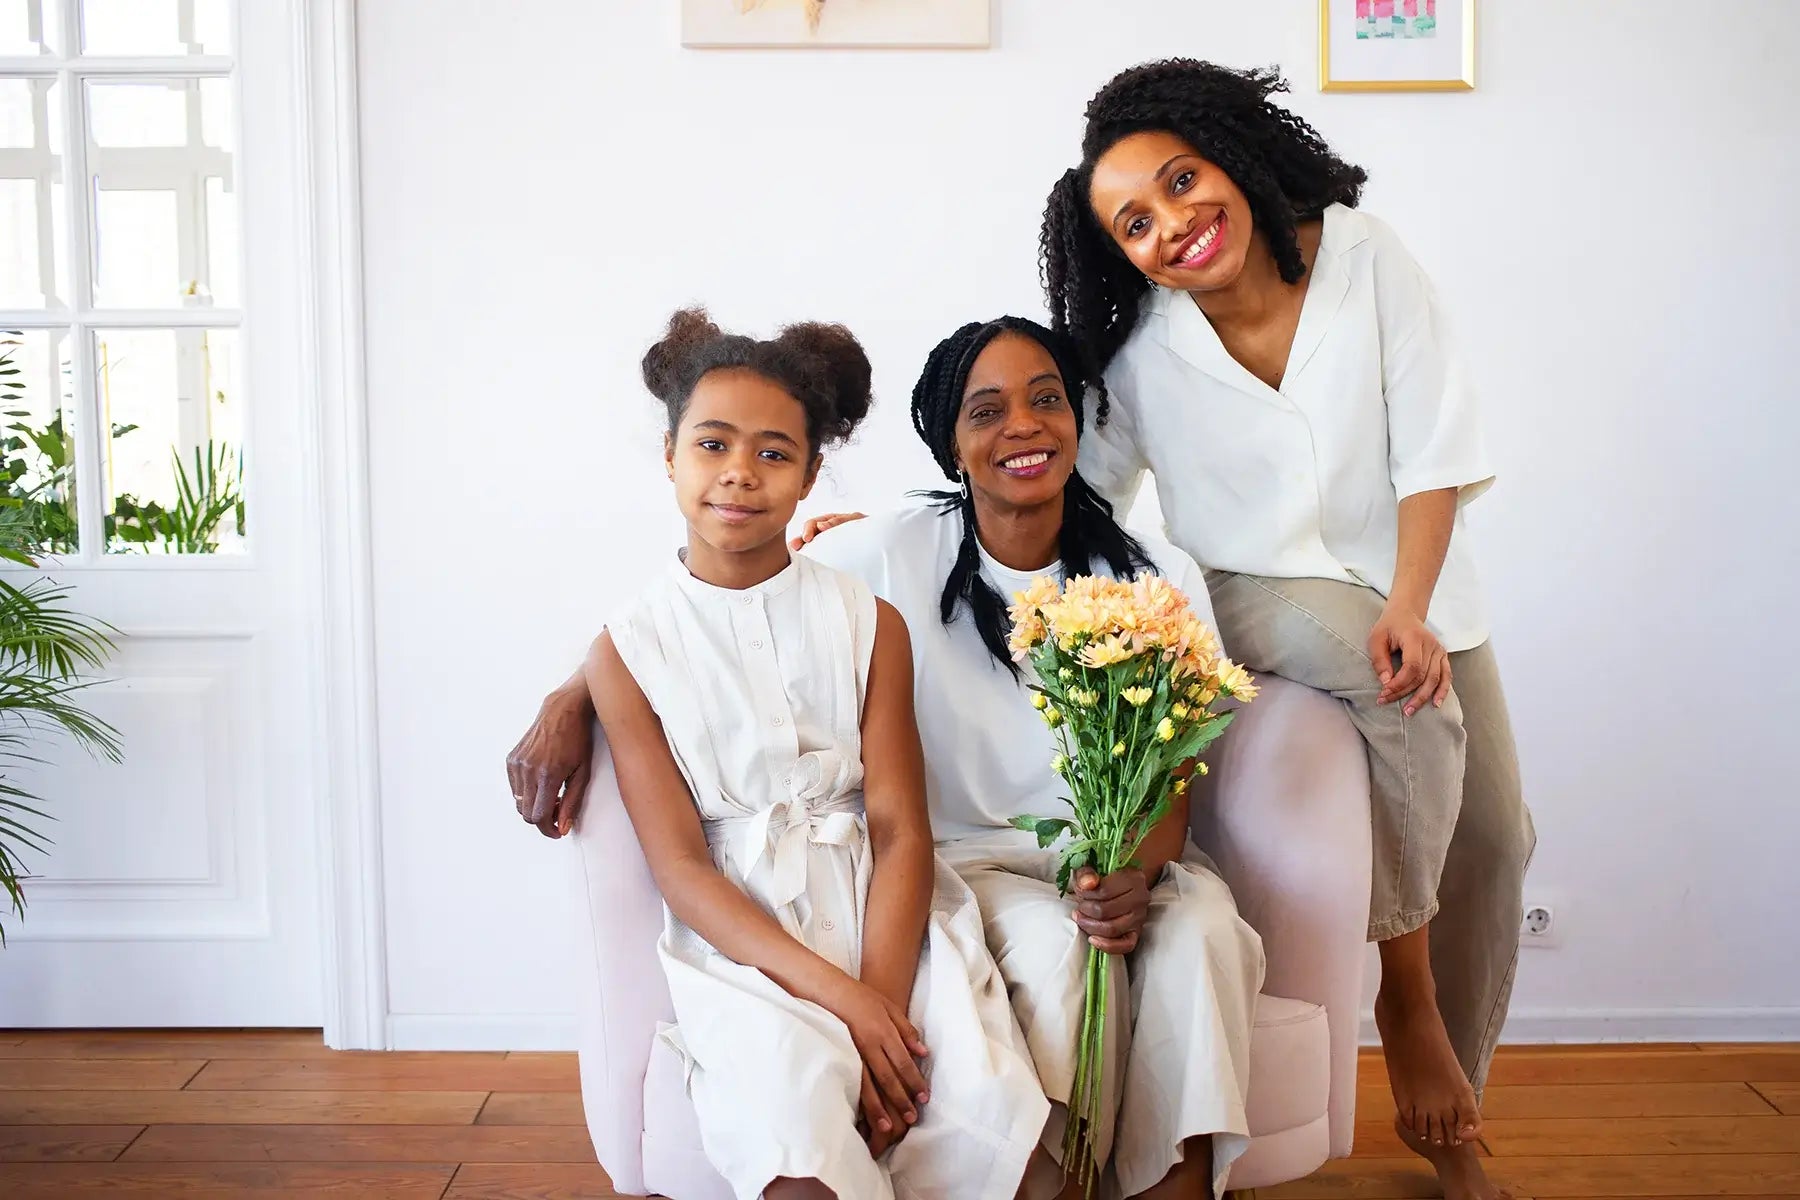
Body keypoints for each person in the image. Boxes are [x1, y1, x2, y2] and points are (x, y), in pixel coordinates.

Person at [511, 316, 1263, 1200]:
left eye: (1047, 400)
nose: (1022, 425)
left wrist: (1136, 869)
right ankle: (1055, 1170)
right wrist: (575, 693)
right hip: (971, 864)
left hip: (1105, 865)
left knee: (1204, 932)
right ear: (950, 444)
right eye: (986, 411)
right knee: (1055, 956)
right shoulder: (891, 551)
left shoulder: (1152, 573)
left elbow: (1175, 761)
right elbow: (718, 604)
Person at [1035, 58, 1536, 1200]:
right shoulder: (1137, 349)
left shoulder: (1364, 255)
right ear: (1118, 251)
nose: (1174, 225)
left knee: (1499, 842)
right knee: (1387, 684)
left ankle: (1458, 1098)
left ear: (1232, 156)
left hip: (1420, 587)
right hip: (1252, 589)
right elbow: (1081, 488)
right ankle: (1405, 1010)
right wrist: (925, 521)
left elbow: (1438, 453)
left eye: (1181, 180)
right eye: (1135, 222)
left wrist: (1411, 605)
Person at [577, 308, 1047, 1200]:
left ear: (810, 474)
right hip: (747, 949)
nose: (739, 476)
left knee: (992, 1128)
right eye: (712, 446)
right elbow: (681, 869)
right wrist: (841, 1005)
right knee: (799, 1154)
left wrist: (881, 999)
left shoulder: (869, 621)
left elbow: (902, 829)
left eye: (773, 453)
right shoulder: (627, 648)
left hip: (887, 922)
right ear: (670, 453)